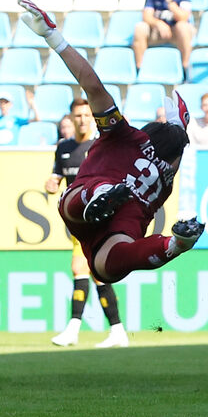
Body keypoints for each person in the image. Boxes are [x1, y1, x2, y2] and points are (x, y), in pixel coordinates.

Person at [17, 0, 206, 284]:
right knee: (114, 265)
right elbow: (177, 153)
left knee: (73, 201)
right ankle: (172, 245)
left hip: (78, 207)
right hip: (116, 238)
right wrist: (181, 128)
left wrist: (53, 36)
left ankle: (101, 194)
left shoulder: (124, 134)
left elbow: (91, 84)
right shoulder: (165, 182)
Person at [46, 98, 129, 349]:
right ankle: (117, 330)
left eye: (85, 115)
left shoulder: (101, 147)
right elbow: (56, 177)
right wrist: (50, 184)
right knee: (95, 274)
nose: (82, 120)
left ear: (92, 118)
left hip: (99, 220)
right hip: (76, 221)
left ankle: (74, 328)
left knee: (80, 267)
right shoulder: (63, 148)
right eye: (77, 116)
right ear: (71, 119)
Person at [133, 0, 195, 74]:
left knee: (183, 27)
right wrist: (158, 23)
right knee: (140, 27)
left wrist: (170, 1)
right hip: (158, 32)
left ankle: (185, 68)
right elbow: (146, 16)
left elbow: (184, 17)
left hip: (176, 32)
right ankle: (140, 69)